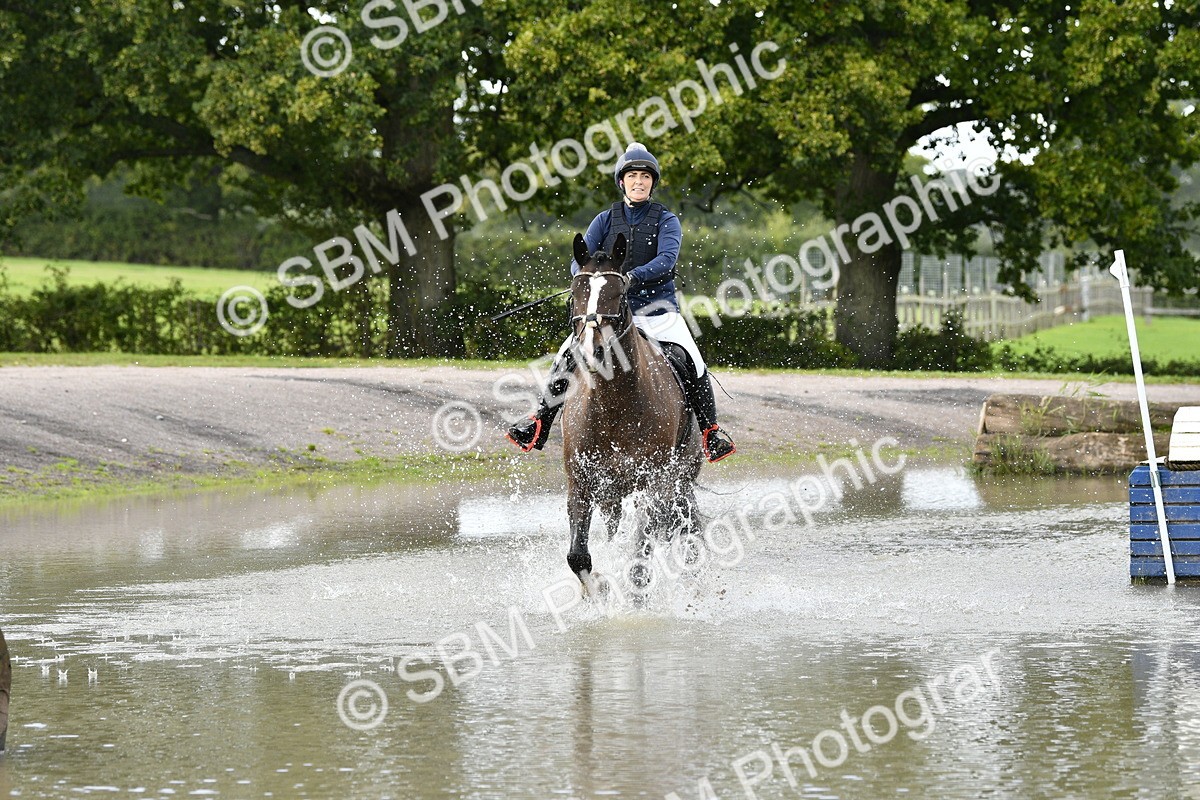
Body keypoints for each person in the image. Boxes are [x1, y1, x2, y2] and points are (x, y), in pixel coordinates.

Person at [506, 142, 736, 462]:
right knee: (566, 354)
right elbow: (580, 258)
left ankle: (711, 431)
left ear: (652, 183)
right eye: (632, 176)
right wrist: (587, 279)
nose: (639, 181)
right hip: (609, 311)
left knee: (692, 359)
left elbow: (667, 260)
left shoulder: (666, 220)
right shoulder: (604, 219)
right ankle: (540, 421)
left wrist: (633, 277)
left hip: (657, 308)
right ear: (622, 181)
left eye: (645, 176)